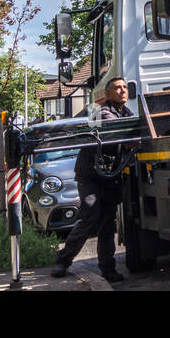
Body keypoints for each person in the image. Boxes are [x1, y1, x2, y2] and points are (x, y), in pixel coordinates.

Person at [51, 77, 134, 282]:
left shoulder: (126, 112)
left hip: (110, 176)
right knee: (91, 215)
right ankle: (62, 260)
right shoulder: (99, 110)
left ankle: (108, 269)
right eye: (117, 88)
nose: (122, 91)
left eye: (124, 87)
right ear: (106, 94)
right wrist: (131, 135)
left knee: (107, 223)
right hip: (91, 176)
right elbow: (113, 125)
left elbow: (134, 129)